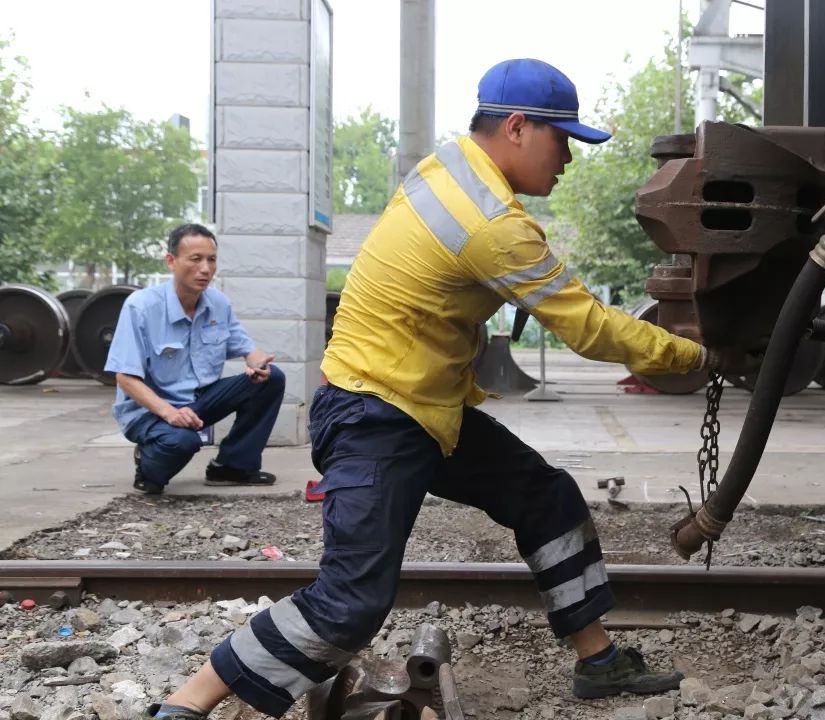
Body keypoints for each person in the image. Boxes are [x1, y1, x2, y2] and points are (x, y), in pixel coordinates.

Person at [148, 59, 723, 719]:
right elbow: (589, 329)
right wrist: (697, 356)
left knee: (546, 497)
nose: (568, 158)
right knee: (349, 606)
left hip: (420, 408)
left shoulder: (444, 168)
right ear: (516, 128)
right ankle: (185, 706)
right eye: (562, 139)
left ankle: (598, 662)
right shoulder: (492, 224)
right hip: (375, 414)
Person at [105, 223, 284, 495]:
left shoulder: (218, 303)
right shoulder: (140, 307)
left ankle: (232, 467)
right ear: (171, 261)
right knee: (182, 443)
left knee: (273, 379)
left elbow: (248, 349)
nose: (206, 269)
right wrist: (170, 413)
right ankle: (147, 464)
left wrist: (258, 364)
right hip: (152, 411)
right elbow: (125, 377)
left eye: (211, 260)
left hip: (200, 401)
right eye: (196, 259)